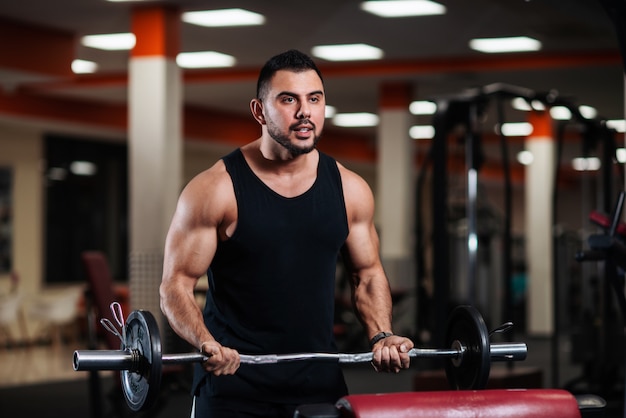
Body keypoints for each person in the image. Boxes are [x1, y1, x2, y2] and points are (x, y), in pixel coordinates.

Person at [159, 49, 414, 418]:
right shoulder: (216, 189)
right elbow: (175, 284)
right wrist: (206, 343)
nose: (304, 112)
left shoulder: (349, 190)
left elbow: (368, 274)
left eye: (314, 98)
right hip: (234, 385)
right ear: (259, 111)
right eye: (288, 99)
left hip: (319, 385)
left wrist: (381, 334)